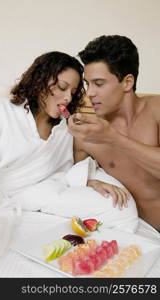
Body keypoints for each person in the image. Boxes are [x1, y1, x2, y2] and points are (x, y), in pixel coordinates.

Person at [0, 50, 134, 270]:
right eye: (61, 87)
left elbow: (62, 170)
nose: (68, 98)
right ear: (39, 80)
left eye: (73, 91)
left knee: (119, 207)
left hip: (37, 194)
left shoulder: (62, 129)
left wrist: (87, 181)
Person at [68, 35, 160, 233]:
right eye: (87, 84)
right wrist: (89, 181)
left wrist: (113, 138)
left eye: (99, 84)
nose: (90, 93)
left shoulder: (156, 109)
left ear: (127, 82)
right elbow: (73, 184)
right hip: (139, 234)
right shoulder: (86, 136)